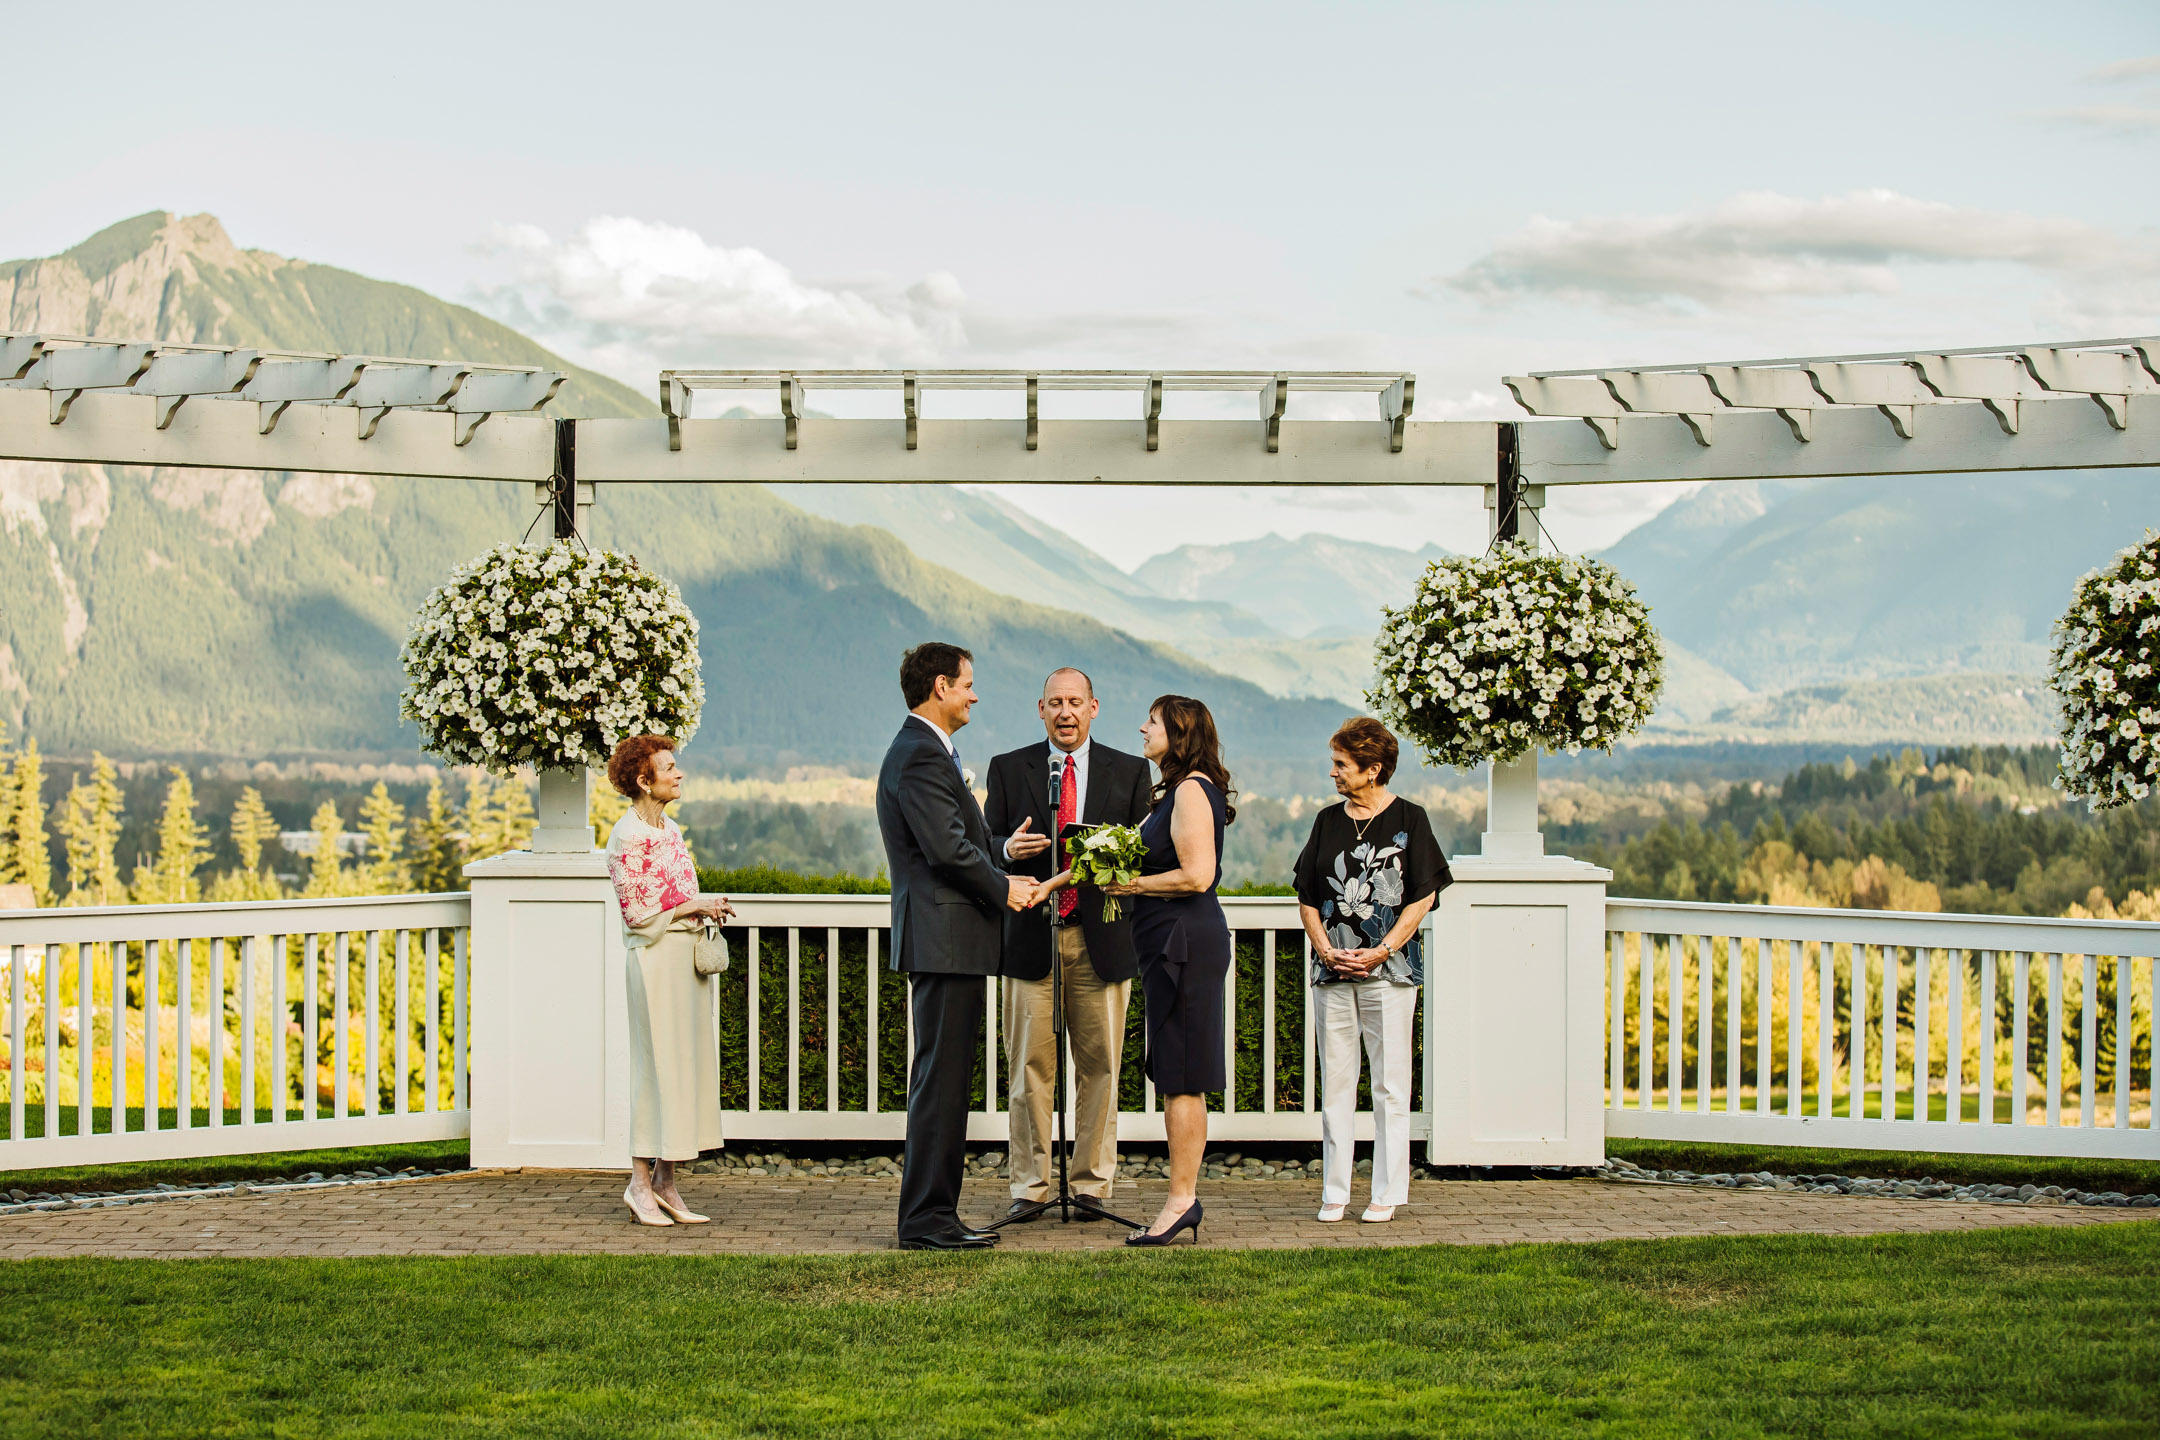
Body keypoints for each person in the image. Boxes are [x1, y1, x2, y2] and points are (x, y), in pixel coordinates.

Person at [1046, 694, 1233, 1246]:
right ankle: (1182, 1199)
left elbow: (1199, 876)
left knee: (1182, 1076)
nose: (1142, 730)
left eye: (1151, 723)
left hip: (1184, 942)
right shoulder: (1173, 793)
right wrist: (1051, 887)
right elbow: (1116, 855)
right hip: (1166, 943)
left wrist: (1133, 886)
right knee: (1175, 1070)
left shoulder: (1194, 790)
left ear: (1178, 733)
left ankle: (1181, 1202)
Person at [876, 642, 1035, 1250]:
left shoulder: (927, 750)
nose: (975, 694)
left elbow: (954, 841)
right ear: (940, 686)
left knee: (944, 1079)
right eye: (969, 683)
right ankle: (926, 1220)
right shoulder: (920, 754)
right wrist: (1006, 890)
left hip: (951, 941)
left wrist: (1001, 852)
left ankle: (935, 1214)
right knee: (940, 1083)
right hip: (944, 941)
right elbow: (944, 851)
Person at [984, 666, 1154, 1224]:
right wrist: (1007, 846)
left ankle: (1091, 1186)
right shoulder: (1010, 769)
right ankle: (1030, 1186)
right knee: (1029, 1066)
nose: (1065, 712)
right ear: (1040, 709)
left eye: (1075, 702)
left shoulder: (1129, 772)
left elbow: (1144, 851)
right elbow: (984, 845)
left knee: (1100, 1065)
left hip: (1100, 936)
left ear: (1094, 707)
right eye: (1055, 702)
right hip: (1030, 936)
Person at [1293, 717, 1451, 1224]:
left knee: (1389, 1085)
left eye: (1342, 764)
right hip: (1333, 971)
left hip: (1390, 971)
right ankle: (1334, 1192)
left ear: (1373, 769)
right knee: (1336, 1085)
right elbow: (1307, 895)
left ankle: (1386, 1191)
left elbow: (1423, 895)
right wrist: (1324, 949)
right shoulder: (1326, 820)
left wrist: (1382, 950)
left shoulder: (1411, 818)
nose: (1333, 773)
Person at [604, 734, 734, 1228]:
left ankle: (666, 1180)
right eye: (669, 767)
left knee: (683, 1069)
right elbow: (638, 912)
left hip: (684, 964)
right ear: (644, 780)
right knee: (655, 1068)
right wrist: (694, 905)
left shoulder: (670, 829)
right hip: (653, 963)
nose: (679, 774)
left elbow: (679, 893)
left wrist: (706, 908)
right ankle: (638, 1183)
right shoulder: (626, 837)